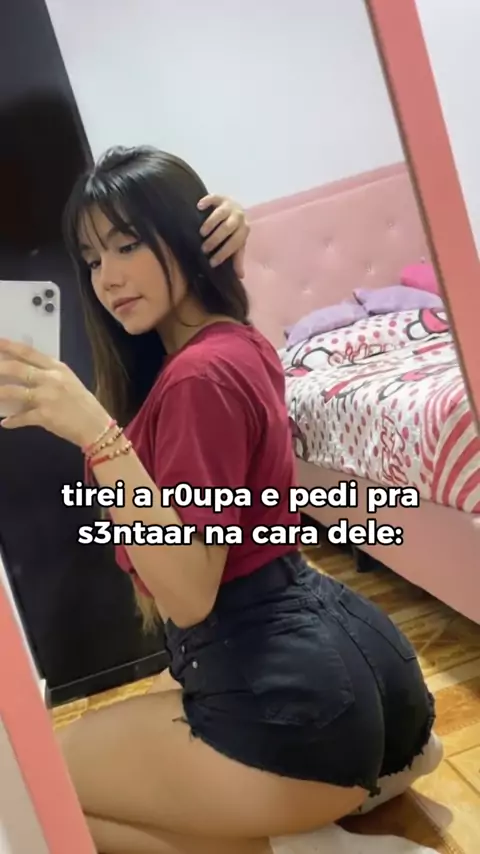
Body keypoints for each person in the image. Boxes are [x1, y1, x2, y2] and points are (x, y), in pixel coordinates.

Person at [0, 146, 442, 854]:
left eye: (127, 243)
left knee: (36, 790)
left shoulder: (196, 379)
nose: (108, 277)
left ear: (184, 234)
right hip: (364, 677)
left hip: (302, 715)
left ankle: (316, 846)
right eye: (91, 258)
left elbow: (188, 596)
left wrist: (95, 434)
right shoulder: (232, 344)